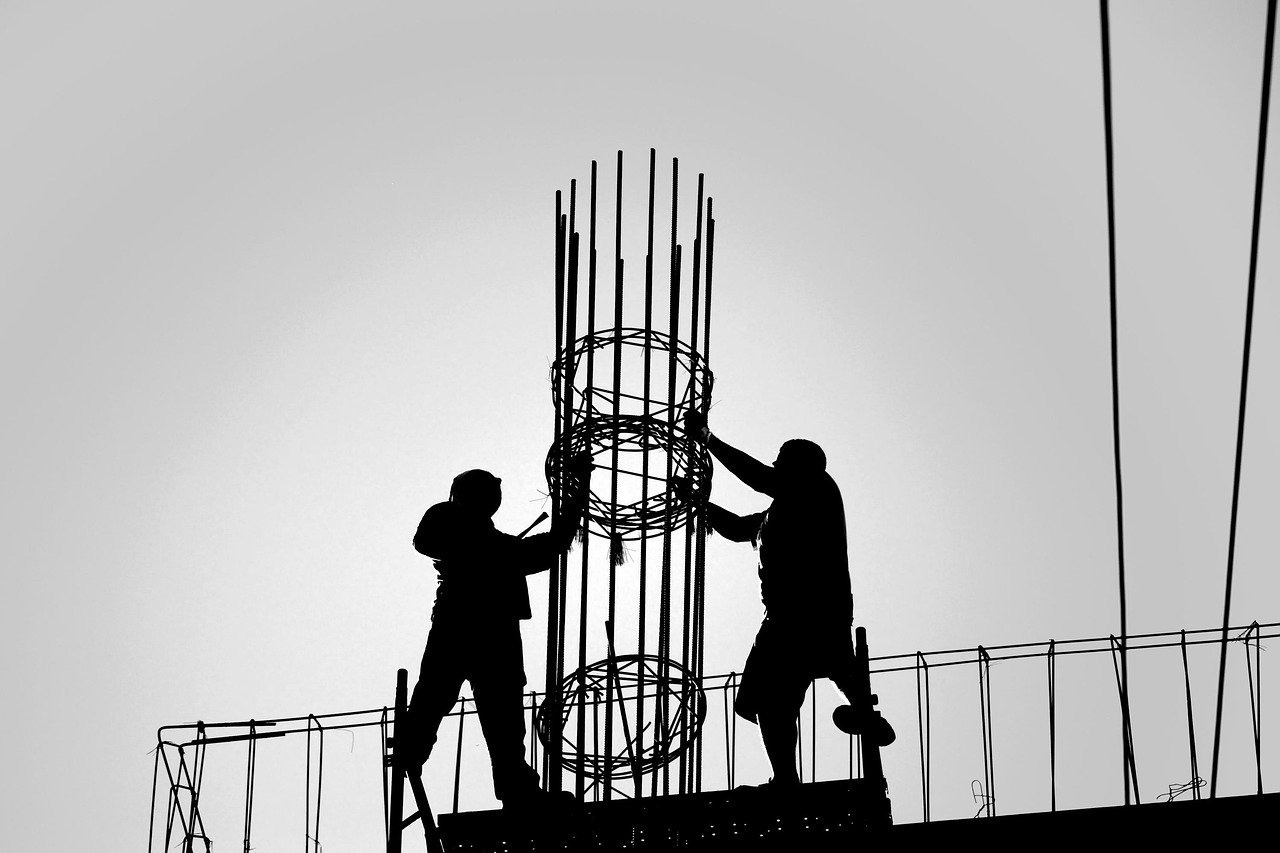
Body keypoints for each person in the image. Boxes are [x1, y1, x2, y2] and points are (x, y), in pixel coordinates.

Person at [681, 410, 893, 789]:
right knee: (771, 699)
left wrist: (709, 440)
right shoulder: (773, 516)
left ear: (803, 466)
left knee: (822, 662)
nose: (776, 465)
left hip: (812, 610)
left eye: (782, 461)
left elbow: (760, 477)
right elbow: (735, 527)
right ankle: (788, 776)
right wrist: (698, 503)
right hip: (784, 617)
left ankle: (860, 712)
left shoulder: (818, 488)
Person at [397, 454, 591, 810]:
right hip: (462, 628)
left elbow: (551, 547)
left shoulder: (500, 547)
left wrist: (577, 495)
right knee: (437, 698)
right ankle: (412, 751)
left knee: (503, 723)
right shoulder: (451, 524)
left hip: (493, 635)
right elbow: (426, 540)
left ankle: (516, 790)